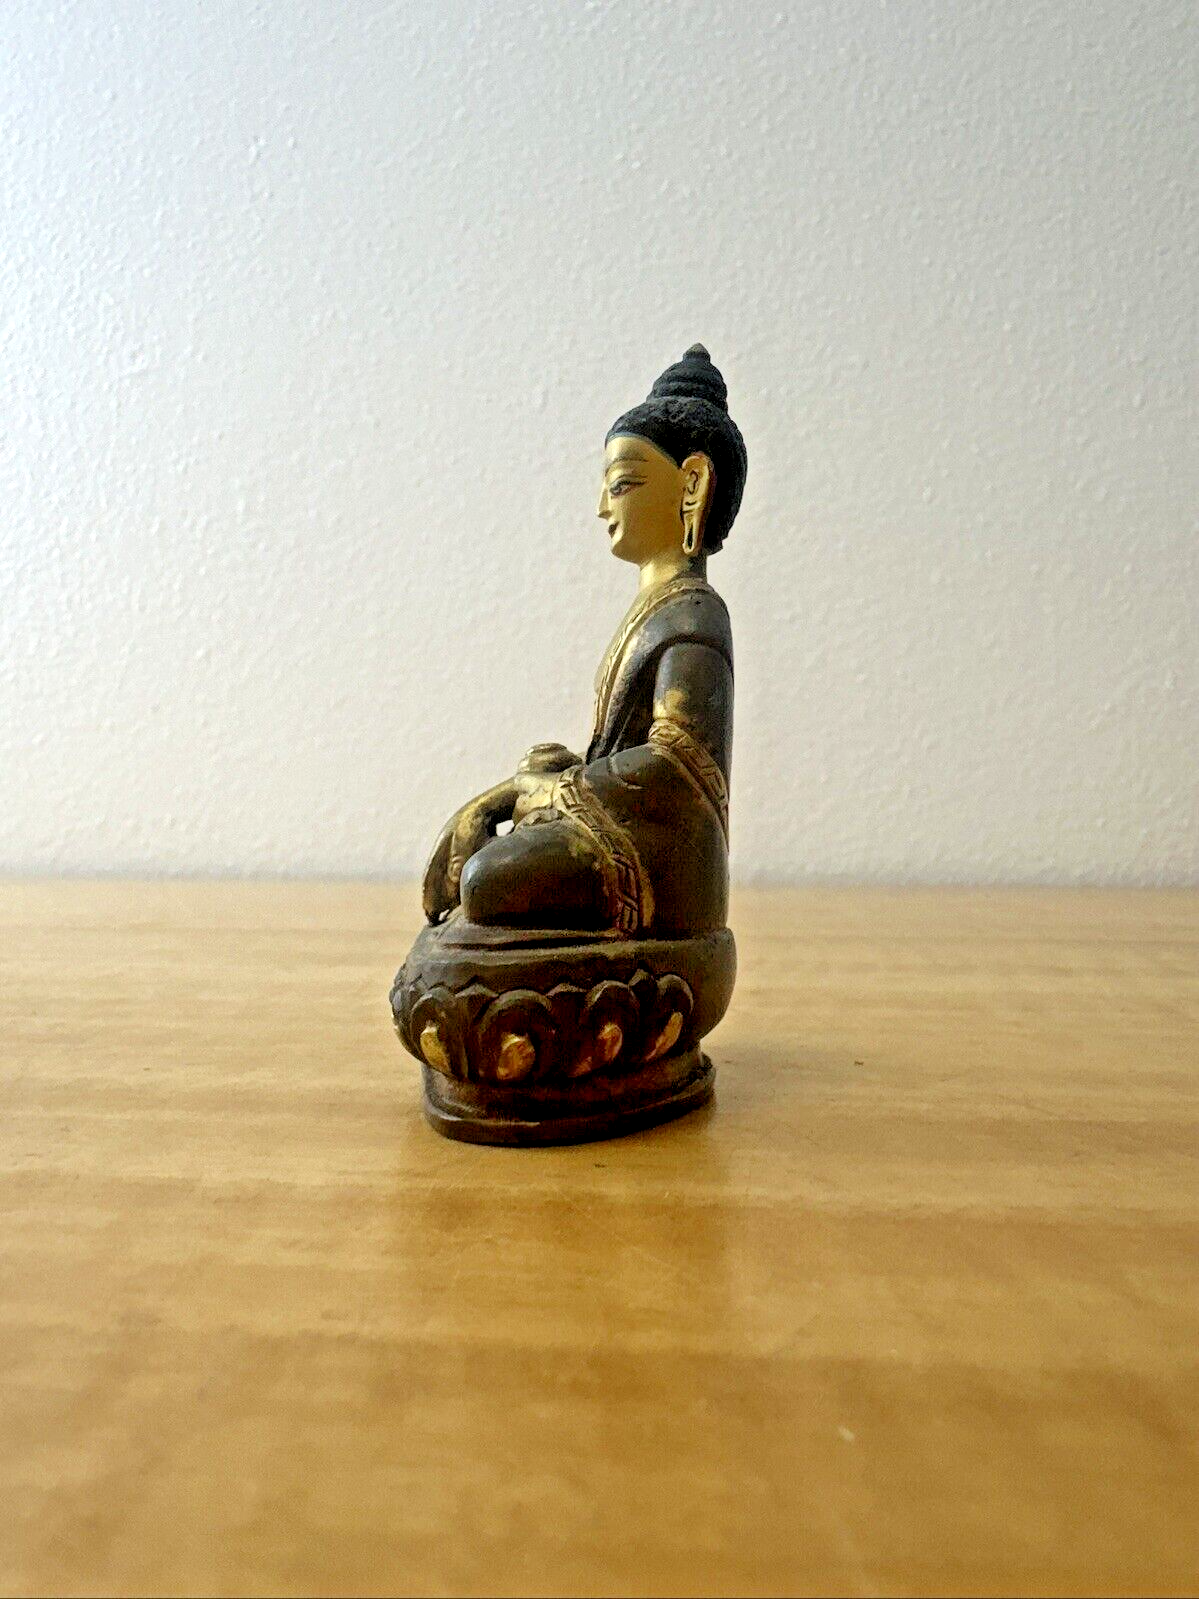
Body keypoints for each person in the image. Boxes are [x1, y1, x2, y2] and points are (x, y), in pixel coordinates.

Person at [422, 344, 746, 938]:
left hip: (663, 865)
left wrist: (554, 791)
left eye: (621, 484)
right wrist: (542, 780)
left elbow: (675, 768)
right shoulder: (656, 610)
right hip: (618, 825)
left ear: (692, 485)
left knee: (485, 881)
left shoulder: (696, 618)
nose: (602, 508)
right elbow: (621, 752)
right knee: (480, 879)